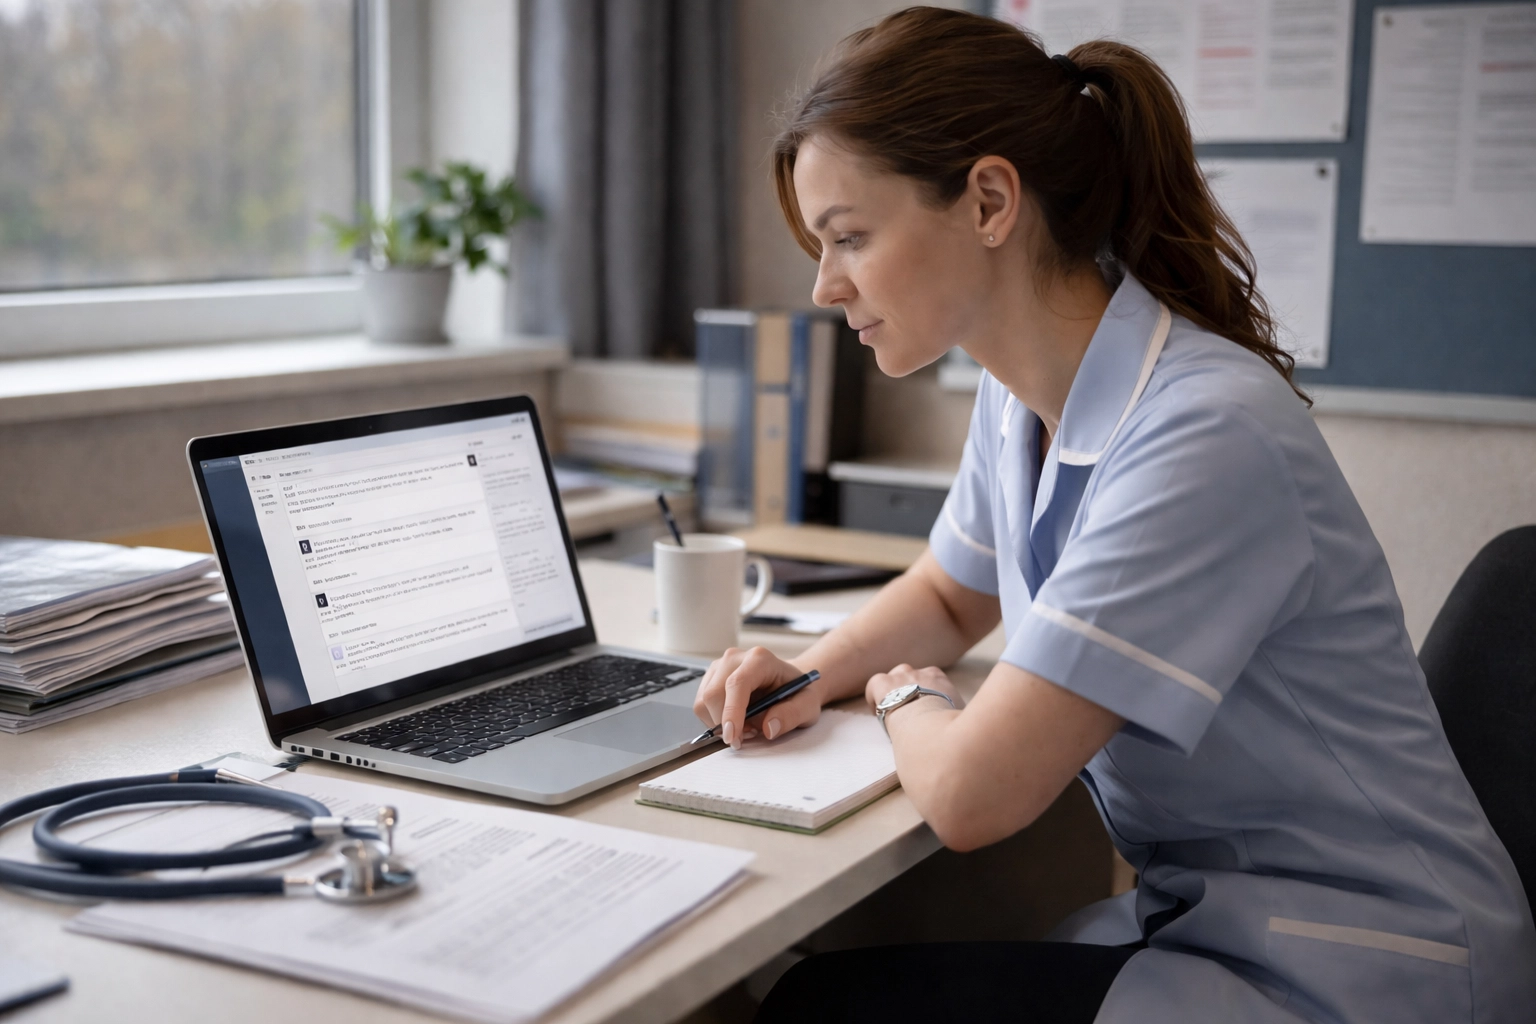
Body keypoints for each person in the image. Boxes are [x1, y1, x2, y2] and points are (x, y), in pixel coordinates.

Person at [691, 8, 1536, 1023]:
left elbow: (972, 797)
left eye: (850, 237)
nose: (827, 286)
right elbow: (951, 594)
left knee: (819, 1005)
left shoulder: (1204, 432)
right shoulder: (1015, 396)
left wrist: (905, 696)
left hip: (1374, 968)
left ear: (990, 200)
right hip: (1228, 920)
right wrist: (812, 670)